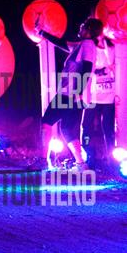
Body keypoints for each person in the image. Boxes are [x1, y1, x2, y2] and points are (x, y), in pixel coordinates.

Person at [36, 17, 101, 171]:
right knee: (67, 129)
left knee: (46, 123)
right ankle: (80, 164)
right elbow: (62, 43)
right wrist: (41, 32)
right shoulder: (81, 45)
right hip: (73, 96)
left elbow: (87, 67)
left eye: (83, 26)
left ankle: (42, 160)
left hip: (69, 94)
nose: (80, 28)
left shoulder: (87, 44)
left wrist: (78, 92)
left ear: (88, 30)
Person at [81, 31, 115, 169]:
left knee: (108, 128)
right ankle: (89, 155)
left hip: (110, 95)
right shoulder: (90, 47)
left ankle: (111, 159)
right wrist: (102, 70)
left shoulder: (112, 46)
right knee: (86, 126)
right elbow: (88, 69)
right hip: (94, 95)